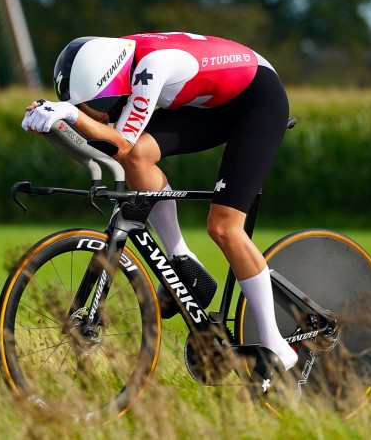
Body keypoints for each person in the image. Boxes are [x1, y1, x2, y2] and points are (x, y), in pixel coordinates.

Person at [22, 32, 298, 372]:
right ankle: (184, 261)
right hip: (211, 101)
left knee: (225, 228)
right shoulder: (111, 57)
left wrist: (72, 116)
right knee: (137, 157)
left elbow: (117, 142)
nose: (103, 116)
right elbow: (119, 147)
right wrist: (55, 121)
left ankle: (277, 347)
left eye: (100, 106)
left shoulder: (151, 68)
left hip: (257, 99)